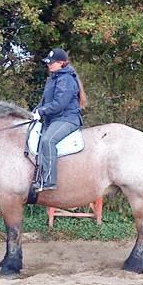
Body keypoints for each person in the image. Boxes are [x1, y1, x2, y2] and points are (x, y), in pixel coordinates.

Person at [31, 48, 88, 192]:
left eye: (52, 63)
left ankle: (49, 180)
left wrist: (42, 111)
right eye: (48, 63)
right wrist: (36, 111)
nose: (49, 65)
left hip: (67, 118)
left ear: (62, 63)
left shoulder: (66, 79)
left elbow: (60, 104)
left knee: (47, 140)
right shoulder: (54, 78)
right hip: (55, 118)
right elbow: (45, 101)